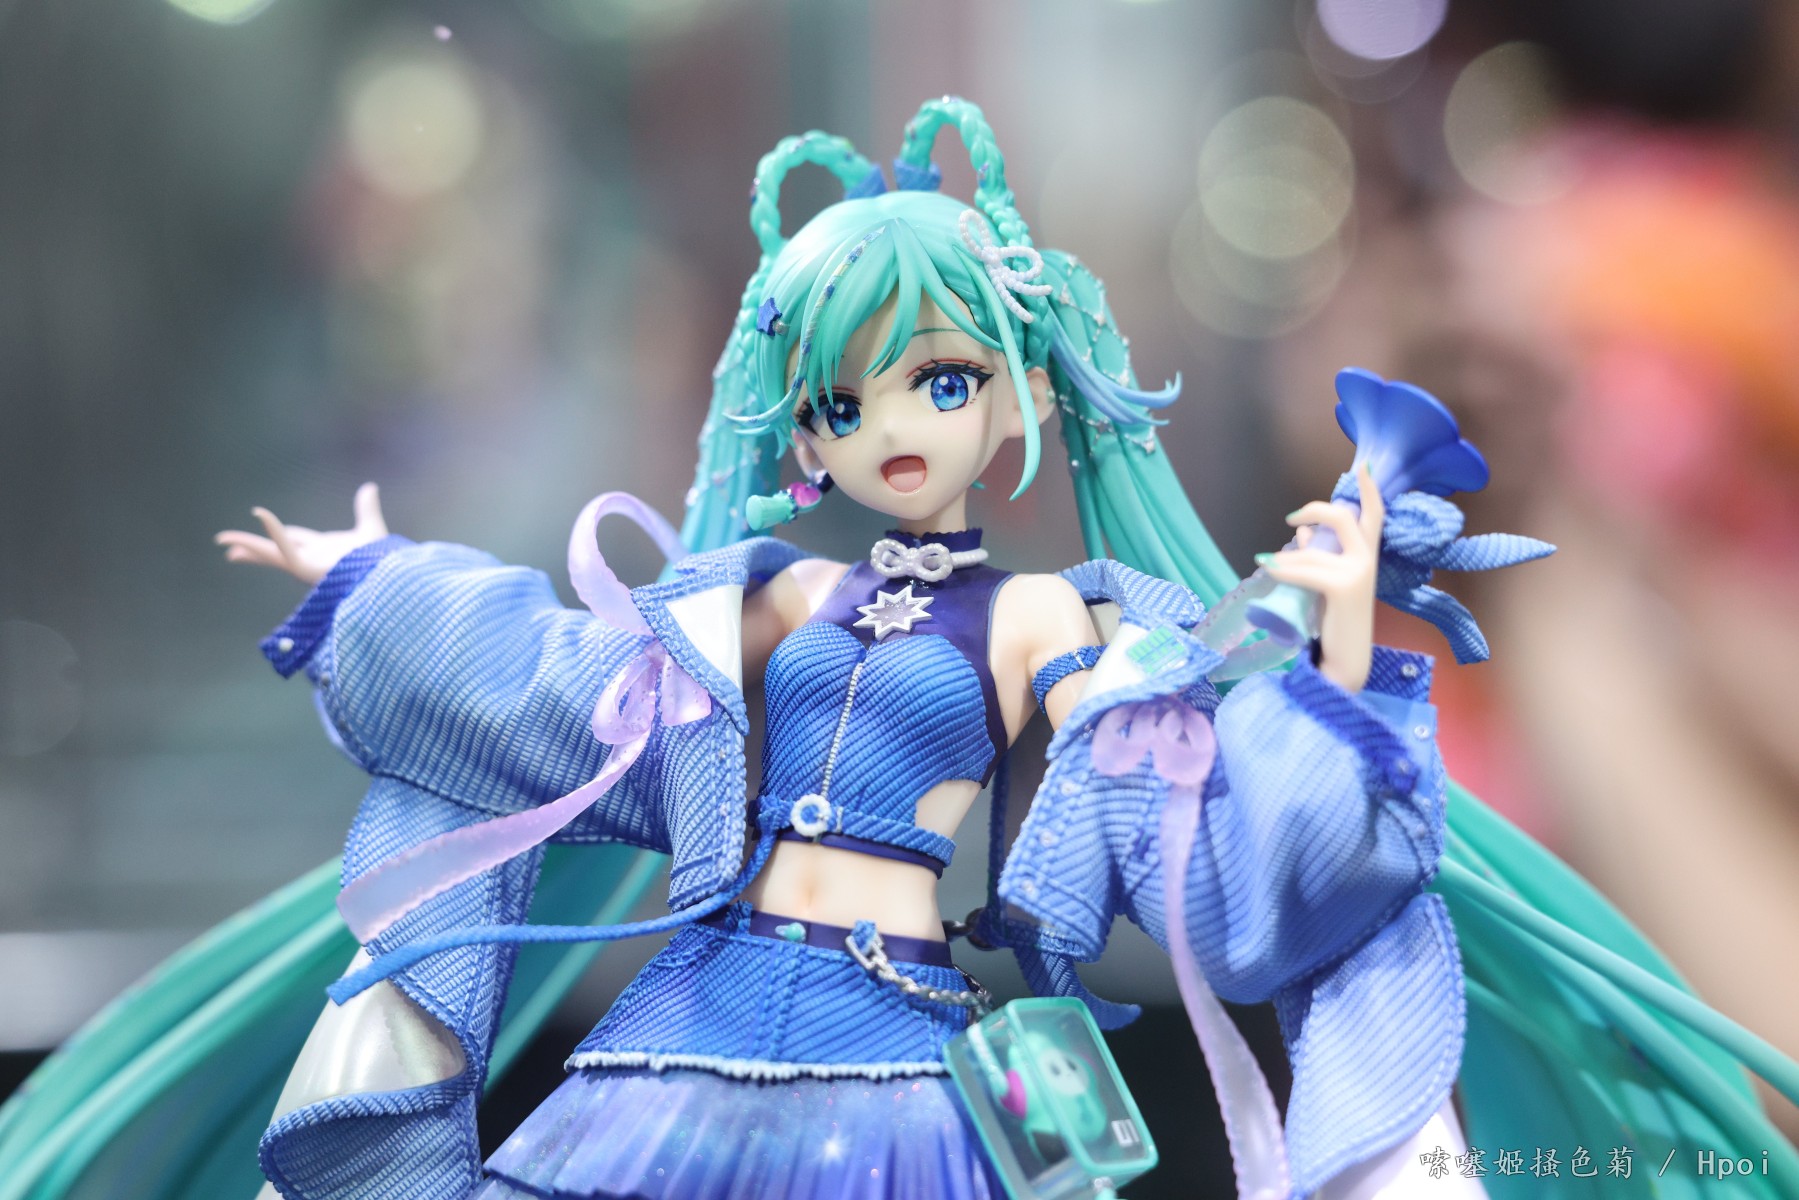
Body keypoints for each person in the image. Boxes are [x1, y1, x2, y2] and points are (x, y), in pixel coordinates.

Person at [5, 97, 1796, 1200]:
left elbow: (1179, 795)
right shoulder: (759, 604)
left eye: (941, 381)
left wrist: (1327, 653)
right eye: (848, 398)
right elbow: (558, 692)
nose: (897, 428)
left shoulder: (1046, 620)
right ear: (804, 427)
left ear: (1020, 393)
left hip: (903, 1057)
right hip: (686, 1033)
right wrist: (375, 580)